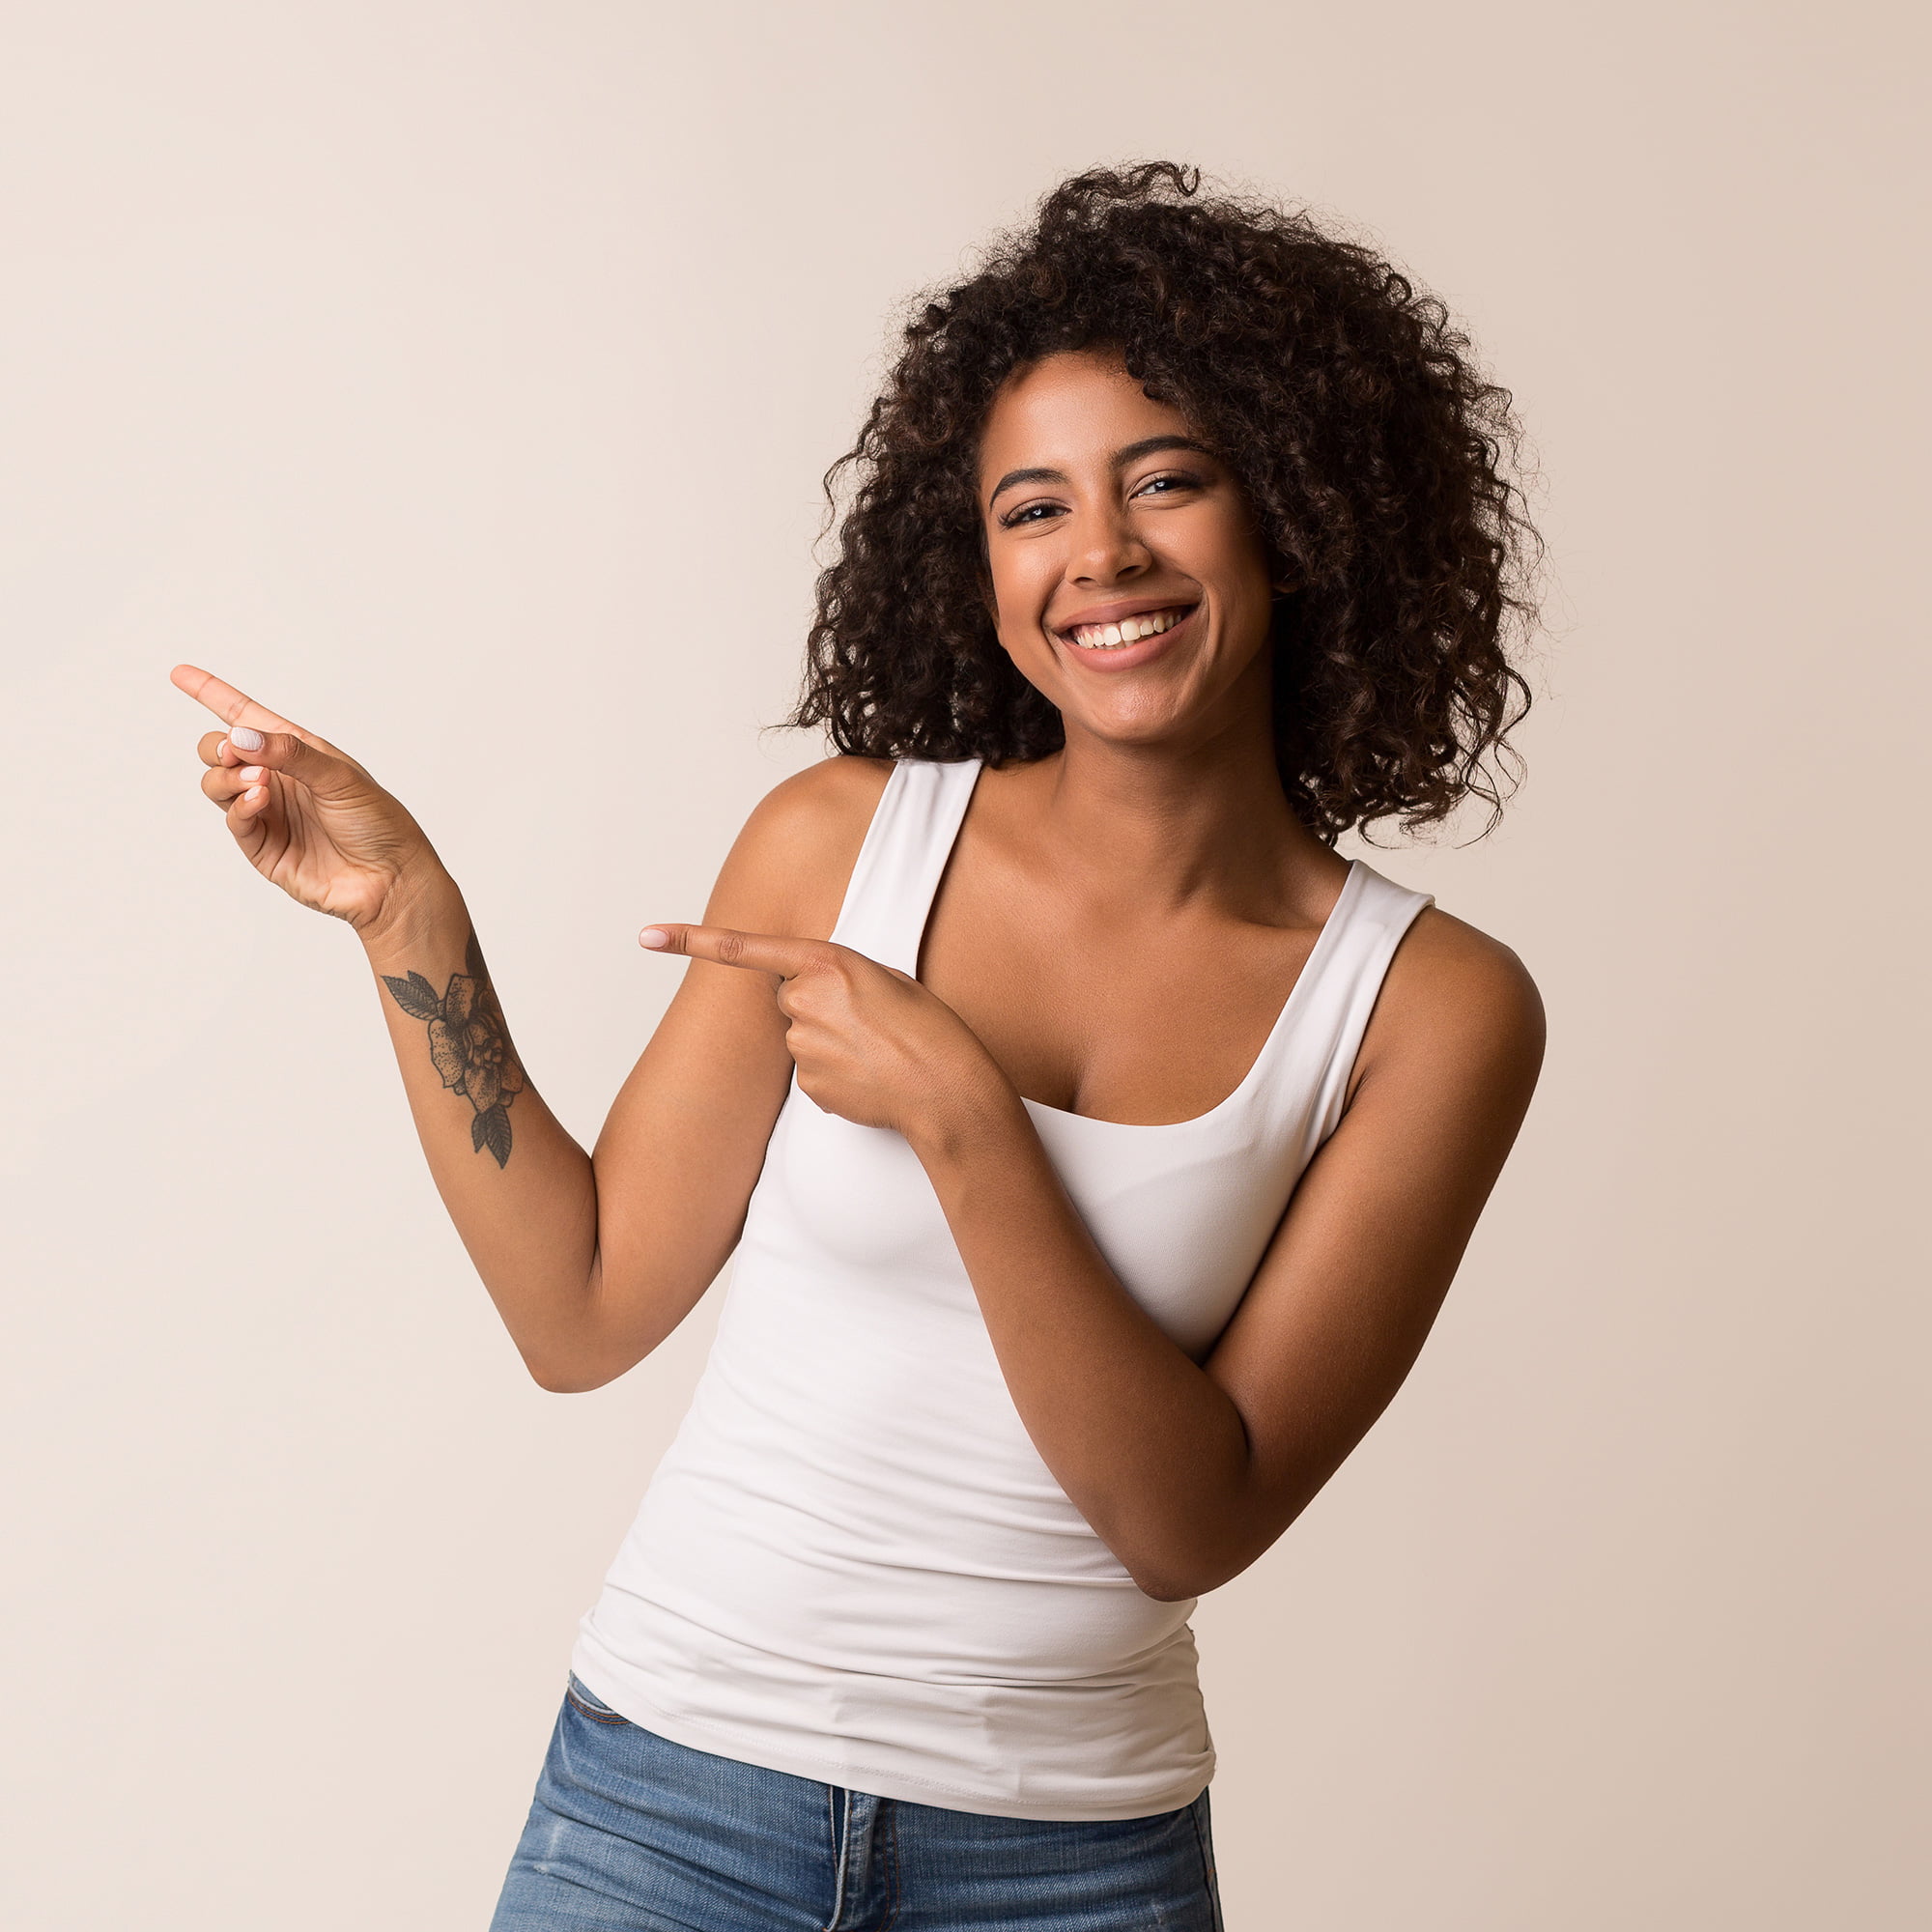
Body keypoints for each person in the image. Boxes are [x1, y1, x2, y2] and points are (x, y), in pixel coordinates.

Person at [172, 162, 1546, 1930]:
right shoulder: (843, 845)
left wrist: (967, 1121)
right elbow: (579, 1308)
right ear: (974, 569)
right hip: (667, 1800)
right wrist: (407, 917)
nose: (1102, 555)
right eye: (1032, 509)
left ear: (1291, 510)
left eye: (1167, 482)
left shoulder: (1428, 1007)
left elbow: (1189, 1521)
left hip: (1074, 1863)